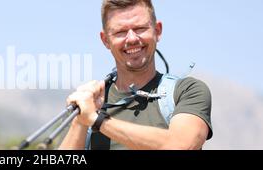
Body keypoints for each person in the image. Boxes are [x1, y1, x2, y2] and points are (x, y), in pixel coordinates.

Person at [59, 0, 212, 150]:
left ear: (157, 31)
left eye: (140, 28)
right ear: (105, 40)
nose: (132, 38)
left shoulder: (187, 91)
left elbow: (182, 145)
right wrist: (80, 120)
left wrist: (96, 120)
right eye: (120, 32)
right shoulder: (90, 103)